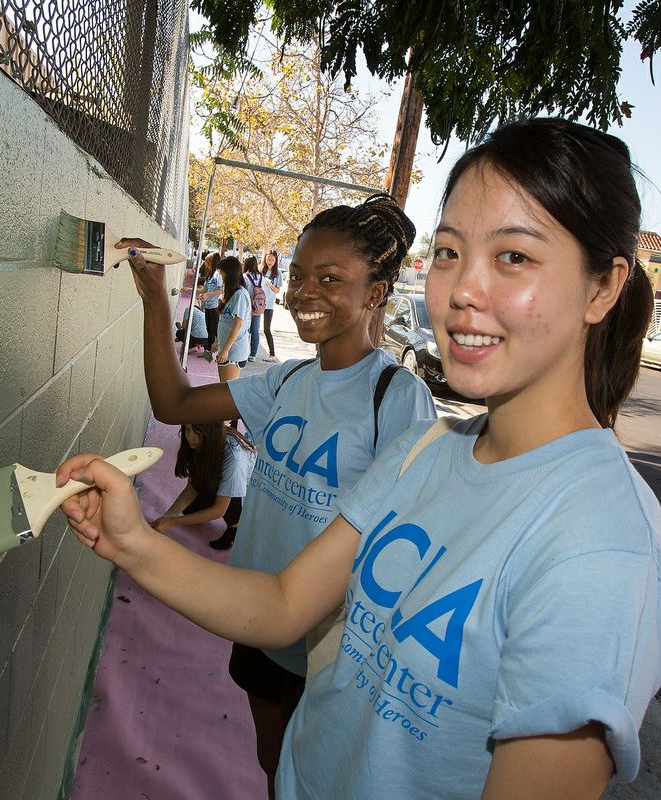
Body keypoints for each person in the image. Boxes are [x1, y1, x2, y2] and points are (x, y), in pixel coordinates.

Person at [69, 119, 661, 798]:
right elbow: (281, 602)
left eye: (514, 257)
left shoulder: (600, 546)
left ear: (603, 288)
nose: (462, 291)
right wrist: (130, 542)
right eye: (449, 253)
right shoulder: (429, 450)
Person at [107, 192, 436, 797]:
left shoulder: (398, 398)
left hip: (329, 642)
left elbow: (409, 541)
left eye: (331, 278)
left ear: (378, 292)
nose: (305, 292)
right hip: (258, 614)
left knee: (314, 775)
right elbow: (173, 404)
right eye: (300, 275)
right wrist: (156, 300)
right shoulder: (285, 380)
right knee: (272, 764)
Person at [152, 422, 256, 550]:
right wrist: (168, 516)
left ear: (209, 433)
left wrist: (172, 522)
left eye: (198, 432)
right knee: (189, 510)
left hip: (246, 491)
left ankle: (235, 528)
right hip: (220, 478)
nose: (190, 436)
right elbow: (193, 486)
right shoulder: (204, 443)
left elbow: (219, 510)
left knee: (231, 503)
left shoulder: (235, 461)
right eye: (187, 429)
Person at [210, 255, 252, 386]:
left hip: (234, 352)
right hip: (226, 349)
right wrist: (218, 341)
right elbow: (225, 321)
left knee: (227, 390)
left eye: (222, 273)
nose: (221, 277)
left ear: (229, 274)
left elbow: (238, 324)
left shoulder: (240, 295)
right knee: (223, 386)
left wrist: (226, 349)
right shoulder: (232, 294)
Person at [243, 255, 267, 361]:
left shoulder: (244, 276)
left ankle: (243, 352)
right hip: (258, 307)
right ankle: (253, 354)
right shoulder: (262, 277)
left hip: (247, 306)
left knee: (244, 329)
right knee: (255, 331)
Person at [261, 250, 283, 360]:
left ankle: (272, 354)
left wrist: (270, 285)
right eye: (268, 259)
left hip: (269, 304)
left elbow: (277, 290)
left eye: (272, 260)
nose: (270, 262)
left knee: (266, 329)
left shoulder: (277, 273)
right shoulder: (261, 270)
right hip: (258, 303)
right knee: (251, 328)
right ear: (265, 259)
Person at [199, 252, 223, 351]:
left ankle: (209, 352)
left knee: (213, 331)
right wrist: (189, 290)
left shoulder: (218, 274)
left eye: (207, 261)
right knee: (209, 329)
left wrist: (208, 295)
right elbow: (204, 289)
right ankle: (208, 352)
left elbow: (221, 290)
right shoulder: (210, 275)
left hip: (215, 306)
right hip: (208, 306)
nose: (205, 263)